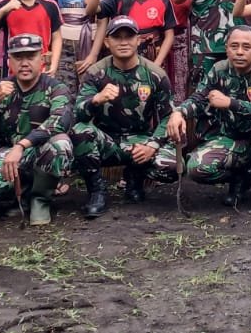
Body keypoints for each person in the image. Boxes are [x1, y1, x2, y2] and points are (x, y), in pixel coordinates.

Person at [165, 24, 251, 207]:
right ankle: (240, 177)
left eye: (246, 47)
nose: (239, 52)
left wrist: (230, 103)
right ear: (226, 48)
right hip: (230, 139)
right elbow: (199, 98)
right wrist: (179, 112)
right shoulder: (219, 69)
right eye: (234, 46)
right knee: (196, 168)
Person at [0, 33, 76, 225]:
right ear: (9, 61)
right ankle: (22, 194)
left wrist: (21, 145)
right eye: (18, 57)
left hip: (40, 153)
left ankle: (40, 200)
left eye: (31, 56)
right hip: (7, 158)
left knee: (60, 143)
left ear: (42, 59)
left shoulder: (56, 88)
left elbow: (60, 121)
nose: (24, 63)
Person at [71, 16, 174, 206]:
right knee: (80, 131)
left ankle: (135, 179)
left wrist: (152, 145)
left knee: (172, 166)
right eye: (117, 37)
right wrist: (95, 100)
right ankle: (96, 191)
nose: (124, 42)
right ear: (107, 42)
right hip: (107, 142)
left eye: (129, 36)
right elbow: (78, 114)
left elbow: (169, 117)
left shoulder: (155, 74)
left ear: (138, 40)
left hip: (140, 142)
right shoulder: (95, 73)